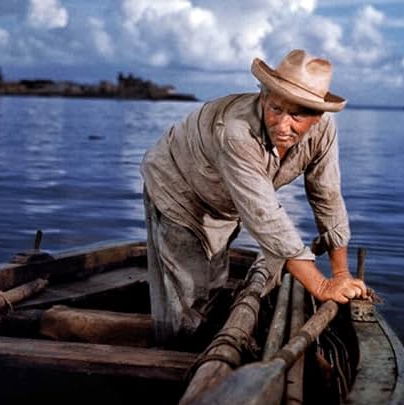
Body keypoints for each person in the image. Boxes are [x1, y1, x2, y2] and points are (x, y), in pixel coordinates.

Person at [141, 49, 367, 344]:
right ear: (263, 97)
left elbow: (328, 197)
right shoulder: (237, 132)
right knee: (186, 296)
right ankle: (176, 357)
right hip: (176, 188)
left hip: (222, 202)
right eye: (275, 109)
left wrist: (340, 274)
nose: (282, 125)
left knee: (212, 284)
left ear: (318, 116)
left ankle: (201, 339)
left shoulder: (324, 132)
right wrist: (321, 287)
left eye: (297, 115)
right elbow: (265, 217)